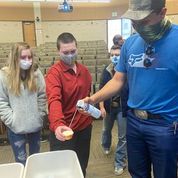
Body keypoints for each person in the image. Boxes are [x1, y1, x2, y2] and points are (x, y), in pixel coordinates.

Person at [80, 0, 178, 178]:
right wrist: (93, 99)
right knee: (137, 173)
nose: (138, 26)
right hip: (134, 122)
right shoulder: (130, 44)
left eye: (144, 21)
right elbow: (118, 80)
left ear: (162, 13)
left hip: (165, 125)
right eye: (134, 21)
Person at [45, 32, 93, 177]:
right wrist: (58, 124)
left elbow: (87, 96)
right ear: (58, 51)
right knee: (63, 170)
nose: (70, 55)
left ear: (77, 48)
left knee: (81, 165)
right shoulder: (54, 73)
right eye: (65, 52)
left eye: (73, 51)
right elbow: (54, 99)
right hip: (64, 129)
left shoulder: (84, 71)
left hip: (84, 127)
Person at [0, 42, 46, 165]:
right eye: (23, 57)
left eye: (29, 57)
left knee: (35, 160)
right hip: (16, 128)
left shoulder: (36, 73)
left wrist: (39, 114)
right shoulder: (4, 76)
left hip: (34, 125)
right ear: (15, 58)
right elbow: (2, 101)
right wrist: (11, 120)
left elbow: (42, 96)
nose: (27, 60)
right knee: (21, 161)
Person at [99, 45, 127, 176]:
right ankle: (106, 145)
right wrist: (101, 107)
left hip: (122, 108)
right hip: (109, 107)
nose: (115, 57)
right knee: (106, 130)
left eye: (118, 55)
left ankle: (119, 162)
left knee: (123, 137)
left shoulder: (128, 70)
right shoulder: (106, 70)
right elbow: (101, 90)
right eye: (112, 55)